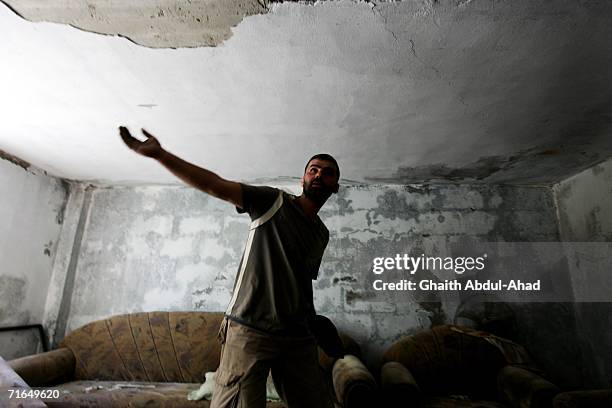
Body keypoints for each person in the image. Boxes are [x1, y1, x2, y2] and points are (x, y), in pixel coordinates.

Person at [119, 126, 340, 408]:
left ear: (335, 186)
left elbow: (299, 280)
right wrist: (160, 155)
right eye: (314, 169)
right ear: (303, 178)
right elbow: (215, 185)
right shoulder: (273, 202)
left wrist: (314, 323)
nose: (319, 175)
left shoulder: (321, 234)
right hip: (250, 330)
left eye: (327, 172)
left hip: (297, 337)